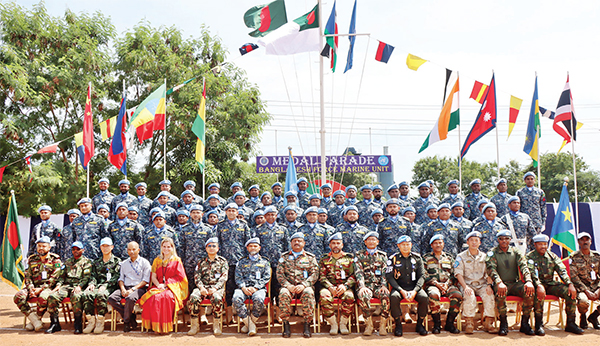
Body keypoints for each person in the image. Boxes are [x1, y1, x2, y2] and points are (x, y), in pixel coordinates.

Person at [527, 234, 584, 335]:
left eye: (545, 244)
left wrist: (570, 284)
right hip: (537, 285)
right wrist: (539, 285)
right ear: (535, 245)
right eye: (540, 244)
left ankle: (571, 323)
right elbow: (531, 274)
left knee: (569, 292)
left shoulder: (552, 256)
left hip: (550, 284)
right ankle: (539, 324)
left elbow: (562, 271)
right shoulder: (530, 257)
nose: (543, 246)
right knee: (538, 295)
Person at [486, 230, 535, 336]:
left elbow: (524, 266)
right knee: (500, 294)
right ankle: (503, 323)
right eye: (501, 239)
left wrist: (528, 281)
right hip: (501, 284)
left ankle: (525, 323)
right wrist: (499, 282)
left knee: (529, 292)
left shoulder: (516, 251)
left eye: (506, 238)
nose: (504, 241)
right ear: (498, 240)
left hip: (515, 283)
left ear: (510, 240)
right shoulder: (492, 253)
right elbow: (491, 269)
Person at [139, 237, 188, 334]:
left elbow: (181, 277)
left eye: (168, 247)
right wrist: (159, 285)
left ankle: (165, 327)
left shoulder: (177, 260)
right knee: (153, 297)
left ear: (172, 248)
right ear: (161, 248)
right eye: (164, 246)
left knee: (166, 297)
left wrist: (166, 284)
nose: (166, 249)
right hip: (158, 285)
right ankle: (155, 327)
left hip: (172, 286)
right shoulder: (157, 260)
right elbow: (153, 277)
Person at [14, 236, 62, 332]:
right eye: (39, 246)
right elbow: (27, 276)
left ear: (49, 247)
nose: (41, 248)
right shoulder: (32, 259)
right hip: (33, 287)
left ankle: (37, 317)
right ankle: (34, 319)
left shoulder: (55, 260)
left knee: (44, 298)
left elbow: (53, 279)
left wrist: (40, 290)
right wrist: (31, 289)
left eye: (44, 246)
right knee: (18, 296)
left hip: (47, 288)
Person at [277, 232, 319, 338]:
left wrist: (304, 285)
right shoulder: (284, 257)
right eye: (294, 241)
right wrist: (288, 285)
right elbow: (279, 274)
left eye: (299, 241)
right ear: (291, 243)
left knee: (309, 292)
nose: (297, 243)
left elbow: (315, 274)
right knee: (283, 293)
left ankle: (307, 324)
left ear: (304, 243)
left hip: (304, 287)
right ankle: (286, 324)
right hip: (289, 287)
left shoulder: (310, 257)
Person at [454, 231, 497, 334]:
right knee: (469, 295)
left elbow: (489, 272)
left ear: (480, 243)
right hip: (467, 284)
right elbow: (458, 273)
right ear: (467, 242)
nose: (474, 243)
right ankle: (469, 323)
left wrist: (489, 285)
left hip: (482, 284)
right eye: (471, 240)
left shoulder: (484, 256)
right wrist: (465, 287)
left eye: (476, 241)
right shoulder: (461, 256)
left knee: (489, 295)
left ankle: (488, 323)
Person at [46, 241, 93, 334]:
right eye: (73, 249)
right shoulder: (67, 262)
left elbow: (86, 277)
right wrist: (58, 286)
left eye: (78, 249)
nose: (75, 251)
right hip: (66, 286)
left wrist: (79, 286)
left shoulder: (87, 262)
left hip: (79, 286)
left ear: (83, 250)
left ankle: (78, 324)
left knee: (76, 296)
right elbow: (61, 277)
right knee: (52, 297)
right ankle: (54, 323)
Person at [386, 235, 428, 336]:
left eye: (407, 244)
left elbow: (422, 276)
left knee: (424, 297)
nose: (405, 247)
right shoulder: (393, 259)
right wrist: (401, 290)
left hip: (414, 287)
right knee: (394, 297)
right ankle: (398, 324)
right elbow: (390, 277)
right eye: (403, 245)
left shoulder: (417, 258)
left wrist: (415, 291)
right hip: (399, 287)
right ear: (398, 246)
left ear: (411, 245)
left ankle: (420, 324)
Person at [187, 237, 228, 336]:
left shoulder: (222, 261)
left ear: (218, 248)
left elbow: (224, 277)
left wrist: (215, 288)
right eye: (209, 246)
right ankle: (194, 325)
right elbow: (197, 277)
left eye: (214, 246)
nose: (211, 248)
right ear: (206, 248)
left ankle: (216, 325)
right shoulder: (201, 262)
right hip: (203, 287)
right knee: (194, 297)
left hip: (216, 288)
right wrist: (201, 288)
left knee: (217, 298)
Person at [422, 234, 462, 334]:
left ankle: (450, 323)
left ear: (443, 244)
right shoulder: (426, 258)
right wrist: (436, 283)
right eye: (435, 243)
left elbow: (454, 274)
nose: (438, 245)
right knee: (433, 295)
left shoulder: (449, 258)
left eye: (440, 243)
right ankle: (437, 324)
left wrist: (447, 284)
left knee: (457, 295)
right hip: (433, 285)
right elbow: (423, 274)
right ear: (431, 245)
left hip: (448, 285)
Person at [108, 241, 151, 332]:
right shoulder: (124, 263)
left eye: (134, 249)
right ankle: (131, 317)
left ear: (138, 250)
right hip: (126, 287)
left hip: (139, 288)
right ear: (127, 251)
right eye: (129, 250)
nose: (131, 252)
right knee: (111, 298)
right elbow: (121, 279)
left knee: (130, 298)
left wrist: (132, 289)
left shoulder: (145, 262)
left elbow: (145, 281)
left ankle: (126, 322)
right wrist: (123, 289)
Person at [217, 203, 251, 315]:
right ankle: (229, 312)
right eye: (229, 210)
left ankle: (240, 310)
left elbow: (248, 244)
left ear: (237, 212)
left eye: (233, 210)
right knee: (228, 287)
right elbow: (218, 244)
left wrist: (247, 259)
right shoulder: (220, 226)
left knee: (240, 286)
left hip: (240, 261)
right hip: (226, 261)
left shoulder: (244, 225)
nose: (231, 212)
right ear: (226, 212)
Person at [319, 232, 356, 335]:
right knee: (324, 296)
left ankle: (343, 323)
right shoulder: (324, 259)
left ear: (342, 245)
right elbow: (321, 276)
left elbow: (353, 275)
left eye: (338, 243)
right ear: (330, 245)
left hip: (344, 286)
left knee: (349, 296)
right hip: (329, 286)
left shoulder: (349, 258)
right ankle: (333, 323)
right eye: (333, 243)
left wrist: (345, 286)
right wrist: (330, 287)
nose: (336, 245)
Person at [233, 238, 272, 336]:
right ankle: (251, 325)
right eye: (250, 246)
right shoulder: (241, 262)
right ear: (247, 248)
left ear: (259, 248)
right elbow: (238, 277)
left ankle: (249, 324)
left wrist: (256, 288)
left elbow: (266, 277)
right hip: (243, 288)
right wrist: (243, 288)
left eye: (255, 246)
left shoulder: (265, 262)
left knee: (259, 299)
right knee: (236, 298)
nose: (253, 248)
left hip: (258, 288)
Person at [82, 237, 121, 334]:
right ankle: (91, 321)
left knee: (101, 295)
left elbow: (116, 276)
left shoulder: (117, 261)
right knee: (86, 294)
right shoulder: (96, 262)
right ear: (100, 248)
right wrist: (91, 284)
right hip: (98, 286)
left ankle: (100, 321)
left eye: (107, 246)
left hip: (111, 287)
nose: (105, 248)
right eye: (103, 246)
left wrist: (106, 285)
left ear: (112, 247)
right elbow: (93, 275)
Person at [354, 231, 390, 336]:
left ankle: (382, 325)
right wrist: (362, 286)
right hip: (366, 286)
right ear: (365, 242)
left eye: (373, 239)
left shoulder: (382, 256)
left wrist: (384, 285)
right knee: (363, 295)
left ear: (377, 242)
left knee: (386, 296)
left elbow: (385, 272)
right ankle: (369, 325)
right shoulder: (359, 255)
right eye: (369, 240)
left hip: (379, 285)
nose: (371, 241)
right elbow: (358, 272)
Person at [569, 232, 600, 329]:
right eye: (582, 240)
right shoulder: (573, 257)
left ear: (590, 242)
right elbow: (574, 277)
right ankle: (583, 316)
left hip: (596, 286)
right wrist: (586, 291)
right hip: (581, 288)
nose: (585, 242)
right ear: (578, 242)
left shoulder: (597, 256)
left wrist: (599, 289)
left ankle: (594, 316)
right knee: (583, 301)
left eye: (587, 239)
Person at [181, 204, 214, 292]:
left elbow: (212, 247)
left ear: (202, 214)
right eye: (193, 212)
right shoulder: (184, 229)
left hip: (203, 261)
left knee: (204, 283)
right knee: (189, 284)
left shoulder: (208, 229)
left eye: (198, 212)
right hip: (189, 261)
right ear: (190, 214)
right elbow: (181, 247)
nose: (196, 215)